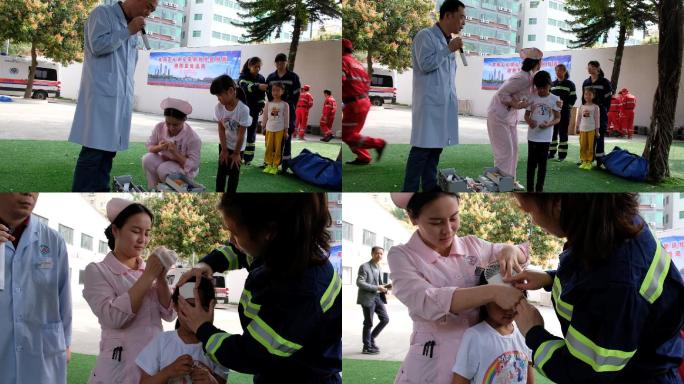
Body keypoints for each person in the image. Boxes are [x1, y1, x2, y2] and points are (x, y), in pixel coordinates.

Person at [510, 194, 684, 384]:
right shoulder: (615, 224)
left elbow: (584, 374)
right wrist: (549, 278)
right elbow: (591, 277)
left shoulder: (615, 280)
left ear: (558, 203)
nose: (533, 221)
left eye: (530, 211)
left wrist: (534, 332)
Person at [175, 193, 342, 383]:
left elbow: (251, 354)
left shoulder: (302, 290)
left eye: (235, 233)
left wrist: (202, 328)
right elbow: (241, 251)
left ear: (268, 233)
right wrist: (208, 264)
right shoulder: (283, 245)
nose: (231, 240)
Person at [387, 192, 529, 384]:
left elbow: (519, 254)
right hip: (434, 364)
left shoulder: (473, 246)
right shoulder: (402, 256)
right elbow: (428, 301)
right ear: (413, 218)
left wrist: (511, 250)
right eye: (436, 222)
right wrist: (493, 293)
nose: (447, 229)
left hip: (481, 360)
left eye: (453, 218)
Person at [83, 198, 176, 383]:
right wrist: (149, 275)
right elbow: (114, 318)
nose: (143, 240)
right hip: (120, 368)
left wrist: (162, 278)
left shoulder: (148, 269)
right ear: (116, 230)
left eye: (147, 233)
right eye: (135, 231)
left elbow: (170, 314)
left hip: (154, 364)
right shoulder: (97, 270)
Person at [69, 0, 157, 192]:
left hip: (120, 100)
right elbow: (97, 46)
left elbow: (128, 66)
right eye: (148, 6)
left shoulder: (132, 28)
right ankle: (81, 191)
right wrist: (127, 31)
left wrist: (129, 31)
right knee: (92, 153)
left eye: (152, 10)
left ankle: (101, 191)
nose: (149, 13)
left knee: (108, 154)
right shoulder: (102, 14)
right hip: (100, 99)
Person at [0, 193, 72, 383]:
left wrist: (66, 343)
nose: (29, 193)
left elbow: (63, 296)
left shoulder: (53, 240)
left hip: (43, 356)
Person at [402, 0, 465, 192]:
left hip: (443, 105)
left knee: (436, 148)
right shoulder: (426, 36)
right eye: (461, 17)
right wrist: (448, 49)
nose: (463, 22)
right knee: (422, 148)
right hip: (429, 104)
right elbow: (426, 64)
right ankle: (409, 190)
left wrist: (449, 48)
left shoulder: (447, 41)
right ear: (448, 15)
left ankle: (429, 188)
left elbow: (447, 77)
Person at [136, 276, 228, 384]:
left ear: (211, 308)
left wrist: (212, 381)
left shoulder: (219, 346)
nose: (195, 313)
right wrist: (168, 372)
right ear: (176, 306)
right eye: (189, 306)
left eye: (202, 307)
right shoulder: (161, 342)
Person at [451, 273, 534, 384]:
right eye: (501, 301)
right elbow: (460, 380)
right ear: (485, 301)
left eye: (514, 299)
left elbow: (528, 371)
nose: (509, 308)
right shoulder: (475, 336)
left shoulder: (525, 333)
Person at [487, 48, 543, 190]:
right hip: (498, 115)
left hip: (510, 117)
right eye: (540, 61)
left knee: (514, 150)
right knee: (505, 151)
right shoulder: (522, 78)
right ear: (537, 63)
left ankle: (510, 181)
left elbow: (535, 96)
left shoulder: (530, 78)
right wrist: (515, 104)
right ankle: (502, 184)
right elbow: (502, 94)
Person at [341, 38, 386, 166]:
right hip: (364, 101)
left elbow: (341, 80)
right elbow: (366, 84)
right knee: (353, 135)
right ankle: (364, 157)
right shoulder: (358, 64)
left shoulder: (343, 61)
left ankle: (379, 143)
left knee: (347, 135)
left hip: (354, 104)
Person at [142, 98, 202, 189]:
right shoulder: (159, 127)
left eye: (175, 125)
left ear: (184, 119)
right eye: (168, 123)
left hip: (182, 168)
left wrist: (176, 153)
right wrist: (159, 147)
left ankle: (180, 187)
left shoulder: (193, 138)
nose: (171, 128)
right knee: (147, 159)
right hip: (164, 162)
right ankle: (155, 187)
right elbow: (150, 146)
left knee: (164, 169)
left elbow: (194, 165)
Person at [210, 74, 251, 193]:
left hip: (238, 147)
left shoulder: (243, 109)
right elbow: (221, 129)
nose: (218, 99)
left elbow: (241, 134)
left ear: (231, 91)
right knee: (221, 173)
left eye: (219, 95)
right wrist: (224, 149)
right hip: (224, 144)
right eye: (216, 96)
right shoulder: (219, 107)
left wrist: (237, 153)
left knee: (234, 175)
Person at [523, 70, 561, 192]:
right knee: (531, 165)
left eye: (544, 88)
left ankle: (539, 189)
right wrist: (530, 121)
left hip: (545, 138)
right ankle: (530, 189)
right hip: (532, 137)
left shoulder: (555, 99)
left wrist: (549, 124)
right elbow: (526, 116)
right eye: (538, 88)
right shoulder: (532, 97)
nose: (541, 91)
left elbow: (557, 118)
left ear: (549, 85)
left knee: (542, 166)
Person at [266, 53, 301, 173]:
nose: (280, 65)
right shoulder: (270, 77)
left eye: (282, 62)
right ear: (275, 63)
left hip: (288, 111)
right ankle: (271, 164)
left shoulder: (293, 77)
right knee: (272, 138)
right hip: (274, 114)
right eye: (278, 62)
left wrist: (289, 107)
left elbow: (297, 95)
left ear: (287, 63)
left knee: (286, 137)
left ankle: (285, 165)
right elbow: (268, 95)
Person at [356, 246, 390, 355]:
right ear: (372, 254)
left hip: (377, 297)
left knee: (385, 319)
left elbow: (378, 284)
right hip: (367, 298)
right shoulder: (364, 266)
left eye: (381, 254)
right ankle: (366, 347)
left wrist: (385, 289)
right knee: (368, 323)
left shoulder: (379, 267)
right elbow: (360, 283)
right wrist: (377, 288)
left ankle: (370, 339)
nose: (379, 255)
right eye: (377, 253)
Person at [581, 61, 612, 167]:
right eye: (588, 67)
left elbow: (608, 99)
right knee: (587, 135)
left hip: (600, 113)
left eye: (592, 67)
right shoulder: (586, 82)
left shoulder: (605, 82)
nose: (589, 69)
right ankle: (587, 159)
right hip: (588, 113)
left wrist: (603, 110)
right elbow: (583, 98)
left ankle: (600, 160)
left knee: (599, 136)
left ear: (598, 68)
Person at [238, 56, 268, 166]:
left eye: (259, 67)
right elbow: (246, 87)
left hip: (255, 110)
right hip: (243, 109)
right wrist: (258, 86)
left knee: (251, 133)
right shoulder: (243, 76)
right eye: (255, 67)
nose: (258, 69)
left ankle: (248, 158)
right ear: (250, 66)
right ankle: (238, 155)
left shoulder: (261, 78)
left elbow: (262, 95)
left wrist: (261, 104)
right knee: (241, 132)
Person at [548, 64, 577, 161]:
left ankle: (562, 155)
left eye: (560, 70)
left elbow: (573, 98)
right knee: (553, 132)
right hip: (553, 112)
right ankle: (551, 153)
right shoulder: (552, 84)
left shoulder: (570, 84)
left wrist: (567, 107)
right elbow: (549, 98)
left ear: (564, 71)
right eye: (556, 71)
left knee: (563, 132)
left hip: (564, 113)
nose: (558, 72)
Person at [262, 82, 290, 175]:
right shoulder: (268, 104)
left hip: (280, 129)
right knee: (268, 147)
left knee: (278, 148)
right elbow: (265, 116)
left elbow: (286, 118)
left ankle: (275, 166)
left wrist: (286, 131)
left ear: (282, 91)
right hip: (269, 128)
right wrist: (263, 127)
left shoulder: (285, 105)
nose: (275, 92)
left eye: (278, 90)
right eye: (273, 90)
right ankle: (268, 164)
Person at [575, 87, 601, 170]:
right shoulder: (582, 106)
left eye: (589, 94)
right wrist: (577, 127)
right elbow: (579, 118)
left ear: (593, 96)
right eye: (585, 94)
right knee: (583, 146)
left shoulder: (595, 107)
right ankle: (583, 161)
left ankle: (589, 162)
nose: (587, 96)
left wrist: (597, 131)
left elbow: (597, 120)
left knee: (590, 147)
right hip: (582, 129)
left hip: (591, 130)